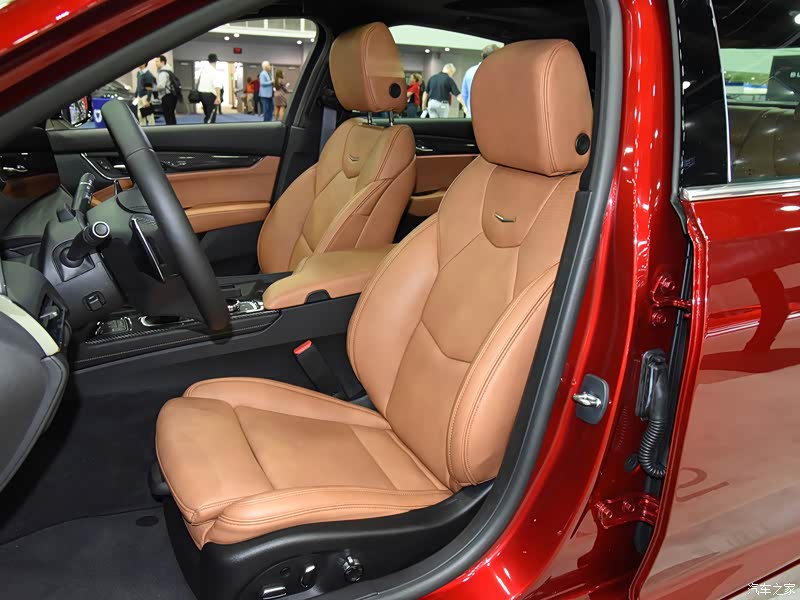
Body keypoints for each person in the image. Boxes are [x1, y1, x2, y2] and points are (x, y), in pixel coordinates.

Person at [462, 44, 499, 118]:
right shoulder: (499, 73)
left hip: (472, 117)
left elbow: (464, 95)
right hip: (493, 117)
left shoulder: (470, 71)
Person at [197, 53, 222, 124]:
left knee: (207, 114)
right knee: (211, 116)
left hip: (202, 95)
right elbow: (217, 86)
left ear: (208, 61)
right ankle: (209, 128)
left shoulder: (204, 71)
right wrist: (218, 97)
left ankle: (206, 125)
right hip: (211, 96)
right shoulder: (214, 71)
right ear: (216, 61)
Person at [155, 55, 177, 125]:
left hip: (167, 96)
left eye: (157, 61)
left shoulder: (163, 73)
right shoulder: (169, 70)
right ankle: (174, 129)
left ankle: (170, 130)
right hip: (172, 95)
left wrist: (154, 88)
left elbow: (161, 86)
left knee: (168, 116)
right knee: (171, 115)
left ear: (162, 62)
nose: (156, 63)